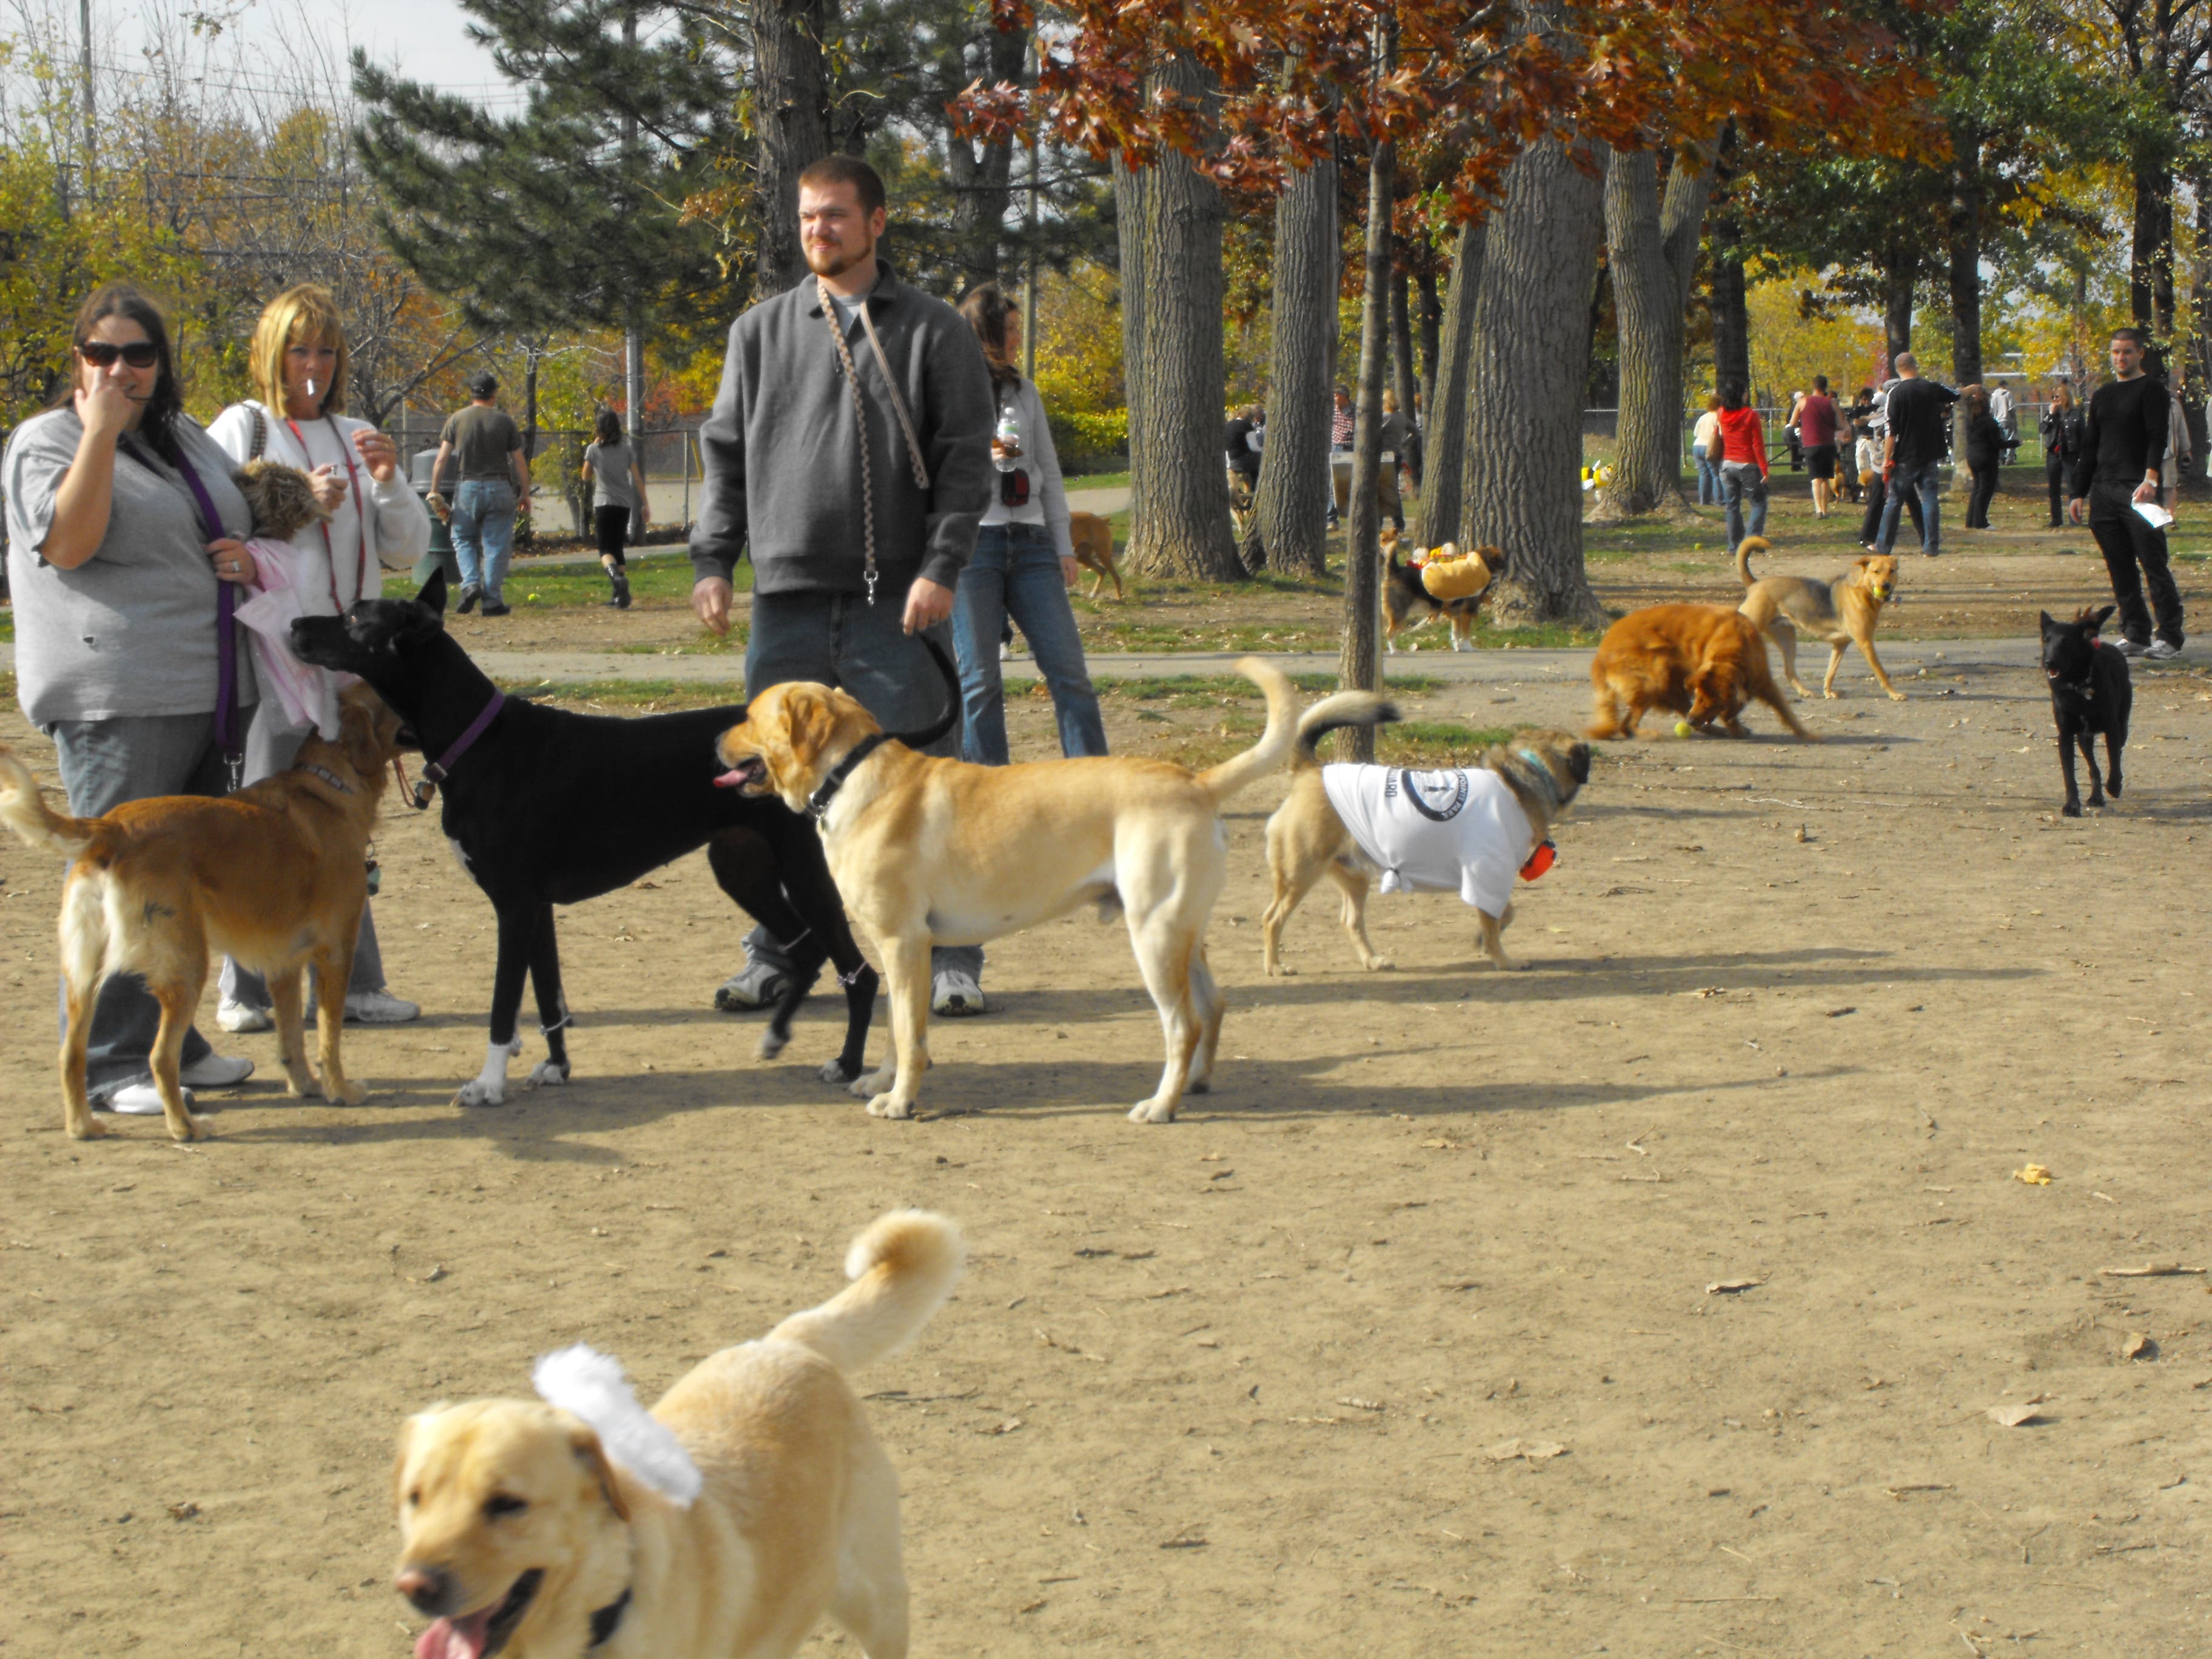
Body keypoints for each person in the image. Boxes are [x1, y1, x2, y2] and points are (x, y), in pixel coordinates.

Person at [689, 155, 996, 1016]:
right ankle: (781, 952)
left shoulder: (935, 330)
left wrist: (942, 568)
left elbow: (965, 462)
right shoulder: (760, 332)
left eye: (834, 216)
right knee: (778, 787)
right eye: (807, 218)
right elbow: (725, 460)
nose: (817, 231)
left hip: (897, 601)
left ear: (877, 223)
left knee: (928, 787)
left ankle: (952, 958)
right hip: (785, 601)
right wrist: (714, 561)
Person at [1, 282, 260, 1116]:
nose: (120, 368)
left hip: (209, 688)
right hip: (118, 697)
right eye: (101, 353)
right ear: (77, 360)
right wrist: (101, 435)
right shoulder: (47, 441)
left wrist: (249, 552)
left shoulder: (181, 436)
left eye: (138, 353)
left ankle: (174, 1046)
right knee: (123, 879)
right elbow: (70, 543)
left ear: (161, 362)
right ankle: (114, 1063)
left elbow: (241, 514)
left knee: (181, 887)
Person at [206, 281, 429, 1033]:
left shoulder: (358, 431)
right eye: (300, 348)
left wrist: (390, 483)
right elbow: (215, 519)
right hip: (274, 659)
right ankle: (243, 990)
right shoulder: (242, 429)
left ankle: (357, 982)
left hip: (348, 662)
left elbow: (403, 551)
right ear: (271, 353)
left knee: (346, 823)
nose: (315, 364)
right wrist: (301, 498)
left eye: (327, 350)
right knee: (262, 823)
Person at [949, 280, 1107, 774]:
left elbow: (1052, 473)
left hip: (1034, 545)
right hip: (975, 546)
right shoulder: (947, 387)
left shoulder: (1025, 391)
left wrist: (1063, 546)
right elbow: (934, 469)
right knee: (979, 679)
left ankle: (1093, 784)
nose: (1018, 337)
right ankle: (989, 788)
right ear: (985, 331)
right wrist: (984, 453)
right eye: (1011, 329)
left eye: (1018, 328)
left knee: (1069, 672)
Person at [2070, 327, 2184, 659]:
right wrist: (2079, 491)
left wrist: (2150, 480)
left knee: (2153, 563)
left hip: (2138, 491)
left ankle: (2171, 637)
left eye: (2128, 352)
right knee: (2119, 566)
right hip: (2104, 491)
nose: (2121, 358)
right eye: (2117, 352)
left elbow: (2157, 437)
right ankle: (2135, 632)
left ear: (2140, 354)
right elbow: (2090, 446)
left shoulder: (2152, 390)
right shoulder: (2103, 395)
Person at [429, 371, 529, 616]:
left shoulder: (457, 419)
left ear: (471, 393)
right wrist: (525, 492)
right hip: (499, 486)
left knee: (463, 538)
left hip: (467, 487)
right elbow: (519, 461)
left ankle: (471, 583)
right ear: (494, 394)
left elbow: (442, 458)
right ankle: (492, 601)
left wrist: (434, 490)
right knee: (496, 545)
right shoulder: (504, 421)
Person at [1877, 351, 1957, 558]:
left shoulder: (1895, 394)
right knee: (1930, 498)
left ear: (1898, 369)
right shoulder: (1931, 388)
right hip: (1930, 452)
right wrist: (1971, 389)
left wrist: (1887, 458)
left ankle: (1884, 545)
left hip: (1905, 456)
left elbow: (1891, 431)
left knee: (1894, 501)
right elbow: (1955, 395)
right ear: (1915, 365)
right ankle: (1931, 546)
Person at [580, 409, 650, 610]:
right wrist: (645, 504)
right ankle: (621, 595)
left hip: (603, 503)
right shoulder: (627, 450)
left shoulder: (594, 450)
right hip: (623, 504)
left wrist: (594, 446)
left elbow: (585, 476)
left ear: (600, 429)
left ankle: (616, 579)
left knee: (604, 549)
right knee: (618, 547)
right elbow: (637, 478)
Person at [1714, 381, 1768, 552]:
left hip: (1727, 465)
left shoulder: (1721, 413)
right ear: (1740, 394)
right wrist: (1764, 468)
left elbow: (1718, 435)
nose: (1747, 395)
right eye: (1745, 392)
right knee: (1759, 504)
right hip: (1747, 464)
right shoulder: (1750, 415)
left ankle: (1734, 545)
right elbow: (1757, 444)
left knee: (1732, 506)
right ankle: (1751, 541)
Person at [2039, 383, 2083, 528]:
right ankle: (2056, 519)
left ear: (2065, 398)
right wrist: (2050, 415)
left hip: (2070, 453)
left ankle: (2074, 519)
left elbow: (2082, 434)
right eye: (2053, 397)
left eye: (2058, 397)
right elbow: (2043, 429)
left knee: (2073, 487)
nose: (2055, 400)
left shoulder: (2076, 414)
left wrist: (2083, 454)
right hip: (2053, 453)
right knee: (2054, 489)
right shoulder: (2051, 414)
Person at [1799, 374, 1842, 518]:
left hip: (1811, 444)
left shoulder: (1803, 401)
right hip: (1828, 444)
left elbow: (1792, 422)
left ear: (1814, 386)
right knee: (1825, 478)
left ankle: (1818, 510)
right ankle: (1825, 510)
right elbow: (1841, 424)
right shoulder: (1832, 403)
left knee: (1816, 478)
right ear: (1826, 387)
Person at [1961, 384, 2003, 530]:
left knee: (1977, 488)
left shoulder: (1970, 421)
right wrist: (2015, 443)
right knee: (1985, 490)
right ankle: (1980, 521)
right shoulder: (1990, 422)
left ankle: (1971, 520)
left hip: (1972, 456)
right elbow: (1997, 443)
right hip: (1986, 458)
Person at [1378, 387, 1415, 532]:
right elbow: (1416, 432)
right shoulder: (1401, 416)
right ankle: (1398, 522)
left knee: (1382, 490)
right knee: (1392, 489)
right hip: (1397, 455)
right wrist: (1403, 445)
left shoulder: (1385, 417)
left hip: (1384, 456)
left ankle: (1382, 522)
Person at [2164, 366, 2193, 513]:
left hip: (2168, 451)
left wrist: (2186, 449)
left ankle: (2170, 515)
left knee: (2169, 485)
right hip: (2146, 452)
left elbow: (2182, 428)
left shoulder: (2174, 405)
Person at [1690, 394, 1723, 506]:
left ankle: (1704, 501)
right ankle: (1719, 500)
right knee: (1716, 474)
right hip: (1709, 447)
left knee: (1703, 474)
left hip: (1697, 446)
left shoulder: (1703, 417)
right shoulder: (1717, 418)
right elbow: (1722, 433)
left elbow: (1695, 433)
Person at [1988, 379, 2018, 461]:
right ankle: (2010, 458)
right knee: (2010, 438)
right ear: (2005, 385)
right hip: (2007, 419)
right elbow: (2011, 409)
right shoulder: (2007, 394)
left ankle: (2001, 458)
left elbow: (1991, 409)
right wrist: (2015, 419)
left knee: (2000, 440)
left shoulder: (1993, 396)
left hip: (1997, 420)